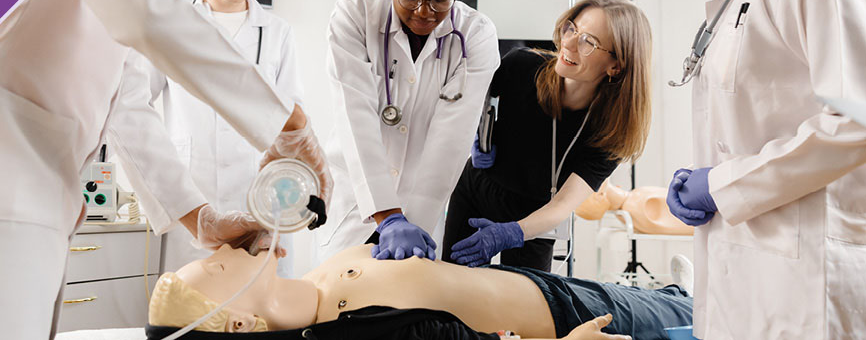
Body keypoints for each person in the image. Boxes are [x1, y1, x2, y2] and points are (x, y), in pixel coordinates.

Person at [0, 0, 328, 338]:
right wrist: (286, 122)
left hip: (44, 198)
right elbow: (150, 14)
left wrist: (198, 217)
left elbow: (126, 106)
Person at [648, 0, 866, 339]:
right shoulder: (727, 1)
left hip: (807, 270)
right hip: (741, 269)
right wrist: (708, 178)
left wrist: (721, 184)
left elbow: (856, 121)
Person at [317, 0, 500, 262]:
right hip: (356, 205)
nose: (424, 11)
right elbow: (355, 115)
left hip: (422, 211)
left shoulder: (477, 36)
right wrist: (386, 216)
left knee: (404, 301)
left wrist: (409, 227)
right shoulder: (355, 13)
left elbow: (449, 142)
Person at [123, 0, 307, 277]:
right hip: (193, 197)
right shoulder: (174, 27)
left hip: (257, 198)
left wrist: (285, 204)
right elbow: (132, 101)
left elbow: (291, 122)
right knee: (188, 310)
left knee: (255, 315)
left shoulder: (277, 33)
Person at [443, 0, 652, 271]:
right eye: (572, 29)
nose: (568, 43)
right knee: (452, 285)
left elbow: (563, 205)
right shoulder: (520, 66)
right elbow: (472, 104)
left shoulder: (611, 131)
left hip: (537, 217)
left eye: (588, 41)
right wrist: (475, 139)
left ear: (616, 65)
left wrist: (511, 233)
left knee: (525, 307)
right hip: (477, 188)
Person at [146, 243, 693, 339]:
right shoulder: (354, 335)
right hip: (571, 317)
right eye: (214, 271)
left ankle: (676, 290)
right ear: (239, 324)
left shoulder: (314, 281)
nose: (214, 254)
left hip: (534, 284)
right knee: (691, 315)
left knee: (666, 298)